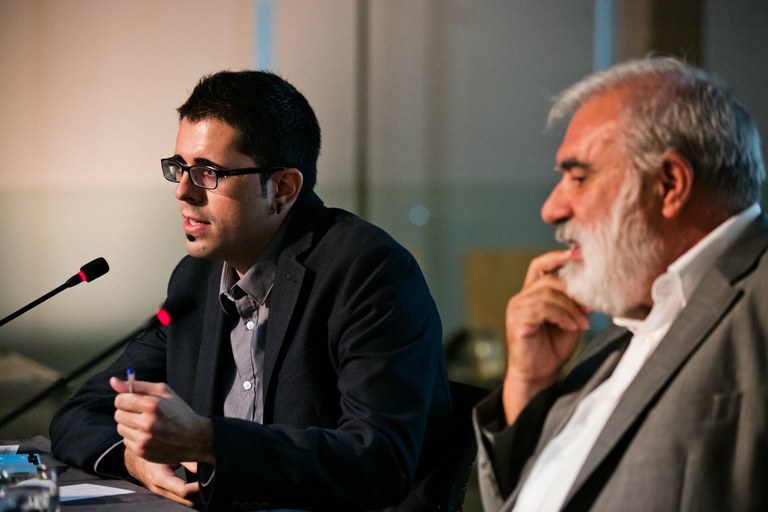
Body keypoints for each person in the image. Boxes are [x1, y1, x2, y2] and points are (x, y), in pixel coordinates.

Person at [50, 70, 453, 511]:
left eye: (207, 172)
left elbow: (379, 461)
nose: (183, 192)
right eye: (179, 168)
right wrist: (137, 460)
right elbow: (83, 412)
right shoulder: (195, 280)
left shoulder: (368, 272)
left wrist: (208, 441)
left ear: (282, 188)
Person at [474, 57, 768, 511]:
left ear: (669, 184)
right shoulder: (613, 342)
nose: (551, 209)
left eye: (578, 177)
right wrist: (528, 385)